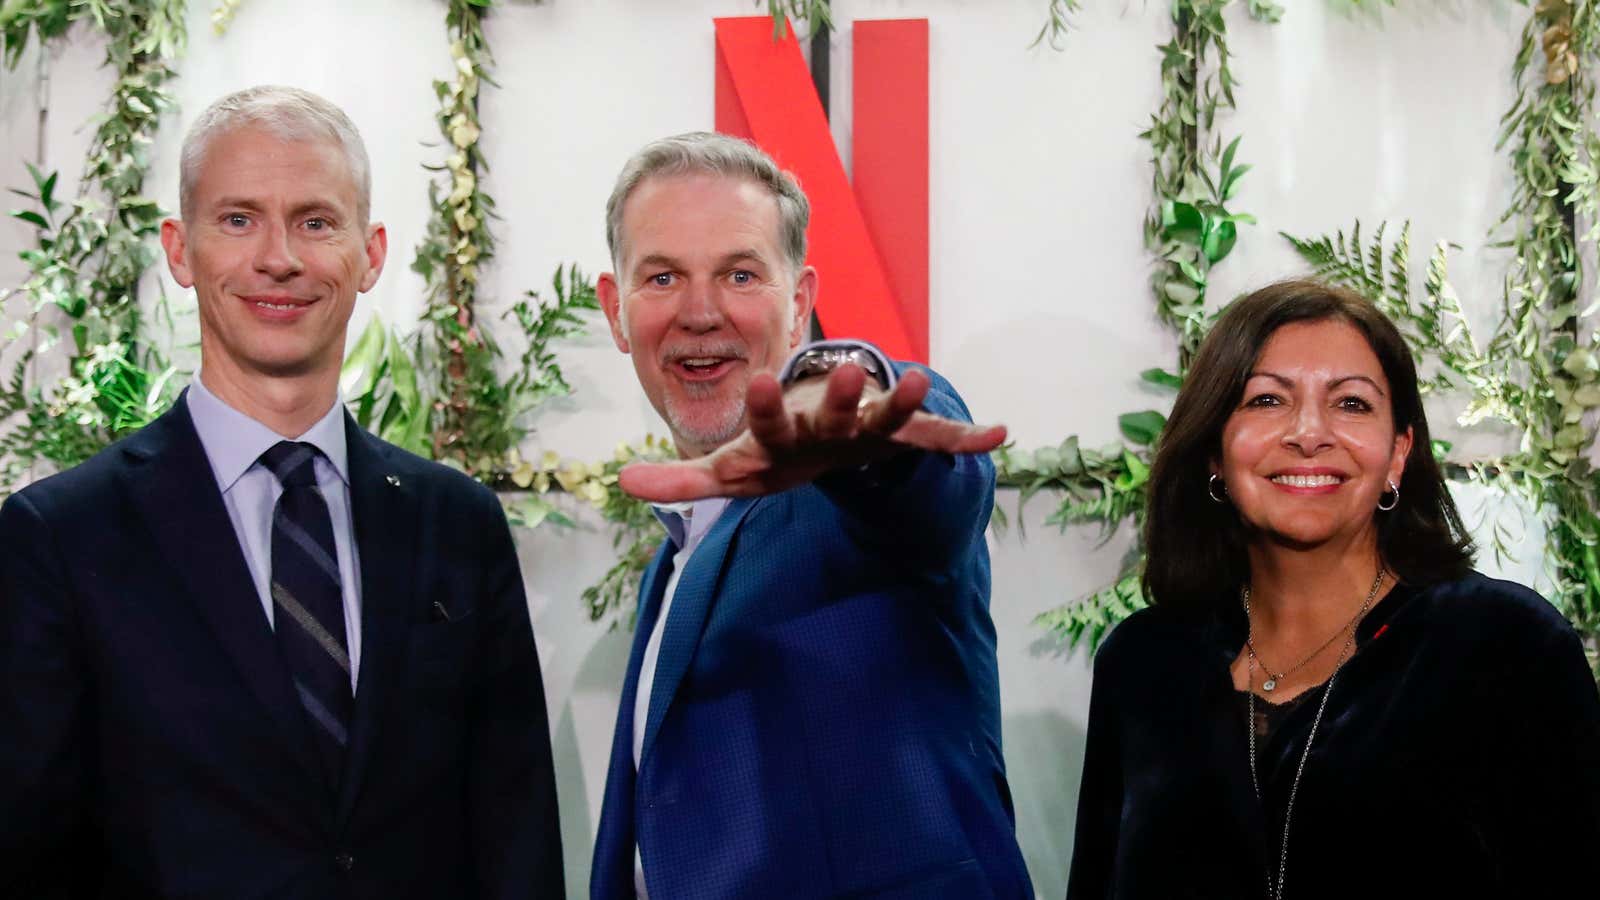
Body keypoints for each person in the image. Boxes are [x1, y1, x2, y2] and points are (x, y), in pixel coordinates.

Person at [0, 86, 563, 898]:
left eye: (315, 221)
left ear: (370, 255)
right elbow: (26, 850)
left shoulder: (458, 524)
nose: (279, 258)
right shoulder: (61, 537)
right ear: (178, 249)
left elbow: (516, 839)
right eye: (237, 220)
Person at [587, 132, 1033, 899]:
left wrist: (860, 422)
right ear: (616, 310)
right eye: (662, 277)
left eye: (740, 273)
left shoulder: (856, 492)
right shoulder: (672, 561)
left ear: (799, 305)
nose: (700, 311)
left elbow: (927, 488)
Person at [1065, 279, 1600, 900]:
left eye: (1350, 404)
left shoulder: (1507, 648)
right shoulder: (1144, 663)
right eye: (1266, 401)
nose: (1309, 432)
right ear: (1215, 451)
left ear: (1398, 452)